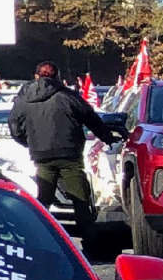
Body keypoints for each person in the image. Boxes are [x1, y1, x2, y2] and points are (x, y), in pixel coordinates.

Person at [7, 62, 120, 235]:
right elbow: (91, 119)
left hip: (41, 155)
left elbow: (15, 127)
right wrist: (108, 138)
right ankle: (89, 241)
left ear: (36, 76)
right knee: (80, 199)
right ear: (57, 77)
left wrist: (30, 143)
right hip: (69, 155)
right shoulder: (68, 96)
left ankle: (36, 235)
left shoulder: (24, 99)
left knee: (43, 199)